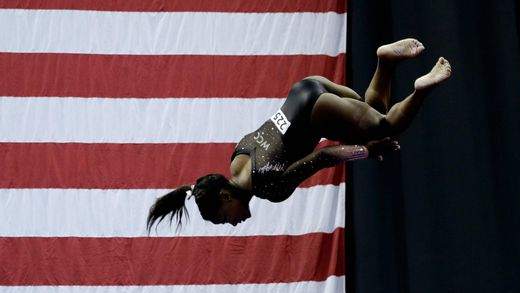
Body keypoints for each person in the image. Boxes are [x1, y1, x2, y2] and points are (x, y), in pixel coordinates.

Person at [147, 38, 452, 229]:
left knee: (386, 127)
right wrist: (364, 145)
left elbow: (323, 156)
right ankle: (385, 61)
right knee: (370, 120)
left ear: (225, 197)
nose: (234, 223)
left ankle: (420, 89)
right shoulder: (235, 158)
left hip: (315, 112)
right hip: (305, 88)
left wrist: (371, 152)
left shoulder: (268, 187)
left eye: (225, 218)